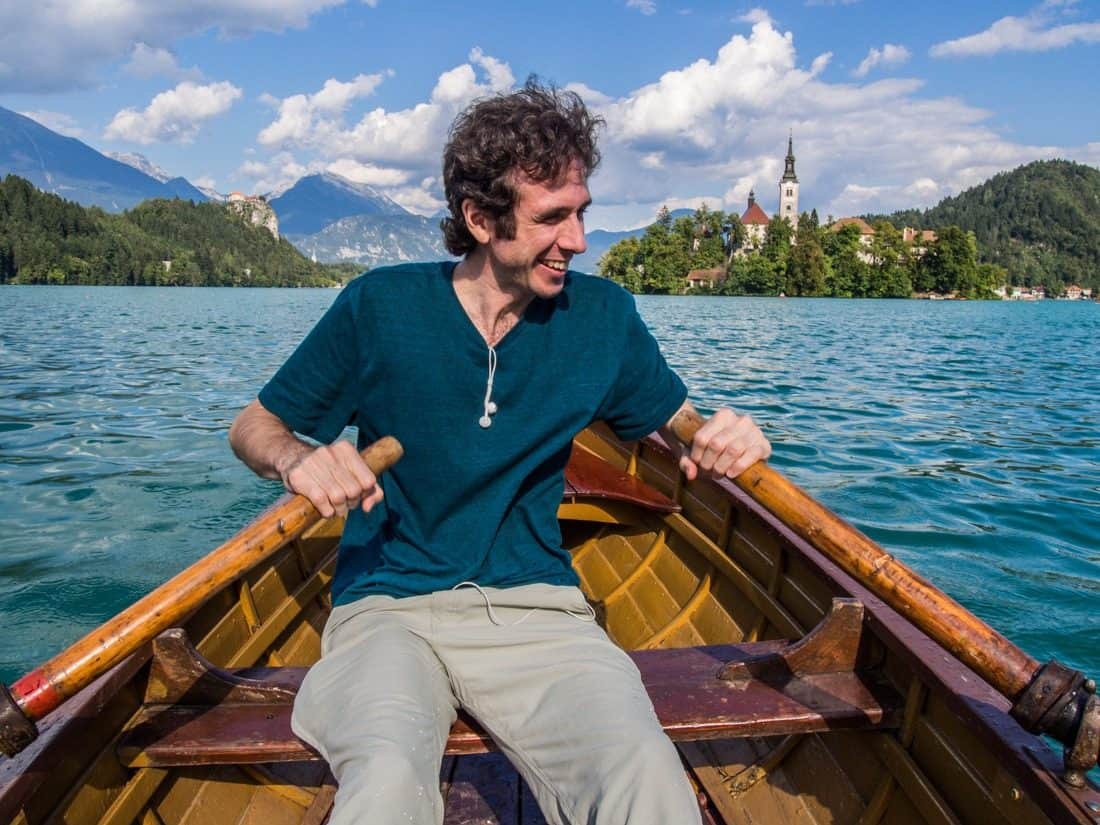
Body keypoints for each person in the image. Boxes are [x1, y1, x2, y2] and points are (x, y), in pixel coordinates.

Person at [229, 81, 771, 825]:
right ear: (480, 219)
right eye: (553, 218)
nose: (578, 240)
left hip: (536, 609)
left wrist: (724, 434)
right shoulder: (380, 307)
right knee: (385, 779)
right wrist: (296, 459)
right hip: (388, 605)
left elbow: (680, 422)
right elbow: (254, 426)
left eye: (582, 212)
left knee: (643, 770)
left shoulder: (602, 318)